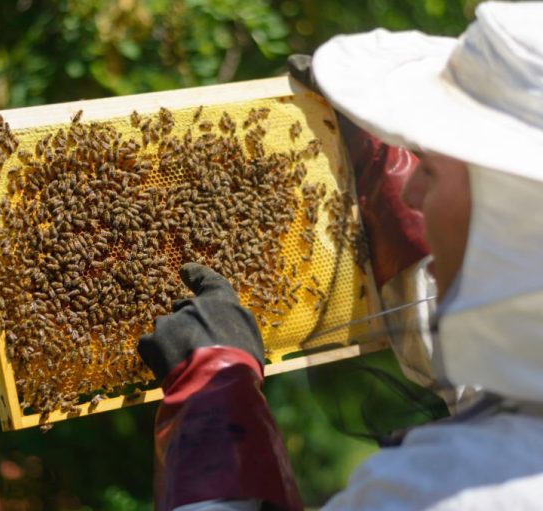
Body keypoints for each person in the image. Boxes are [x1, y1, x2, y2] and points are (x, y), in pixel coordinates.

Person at [137, 2, 543, 510]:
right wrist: (386, 191)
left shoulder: (444, 491)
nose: (412, 192)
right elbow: (488, 373)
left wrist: (212, 400)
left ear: (510, 205)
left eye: (432, 169)